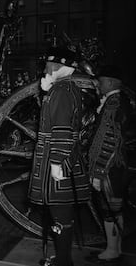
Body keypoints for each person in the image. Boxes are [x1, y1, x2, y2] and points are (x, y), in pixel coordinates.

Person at [28, 46, 90, 266]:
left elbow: (62, 128)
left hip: (57, 162)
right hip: (61, 160)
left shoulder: (61, 91)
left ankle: (64, 262)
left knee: (60, 215)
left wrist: (57, 163)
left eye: (50, 65)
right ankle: (63, 258)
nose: (46, 68)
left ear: (60, 67)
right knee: (60, 215)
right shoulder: (63, 88)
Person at [86, 65, 130, 262]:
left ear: (111, 82)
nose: (99, 84)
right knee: (115, 208)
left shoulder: (113, 104)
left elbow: (109, 140)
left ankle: (112, 250)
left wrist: (98, 171)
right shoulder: (117, 101)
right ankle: (117, 247)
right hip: (116, 167)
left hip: (109, 168)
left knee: (108, 209)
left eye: (102, 81)